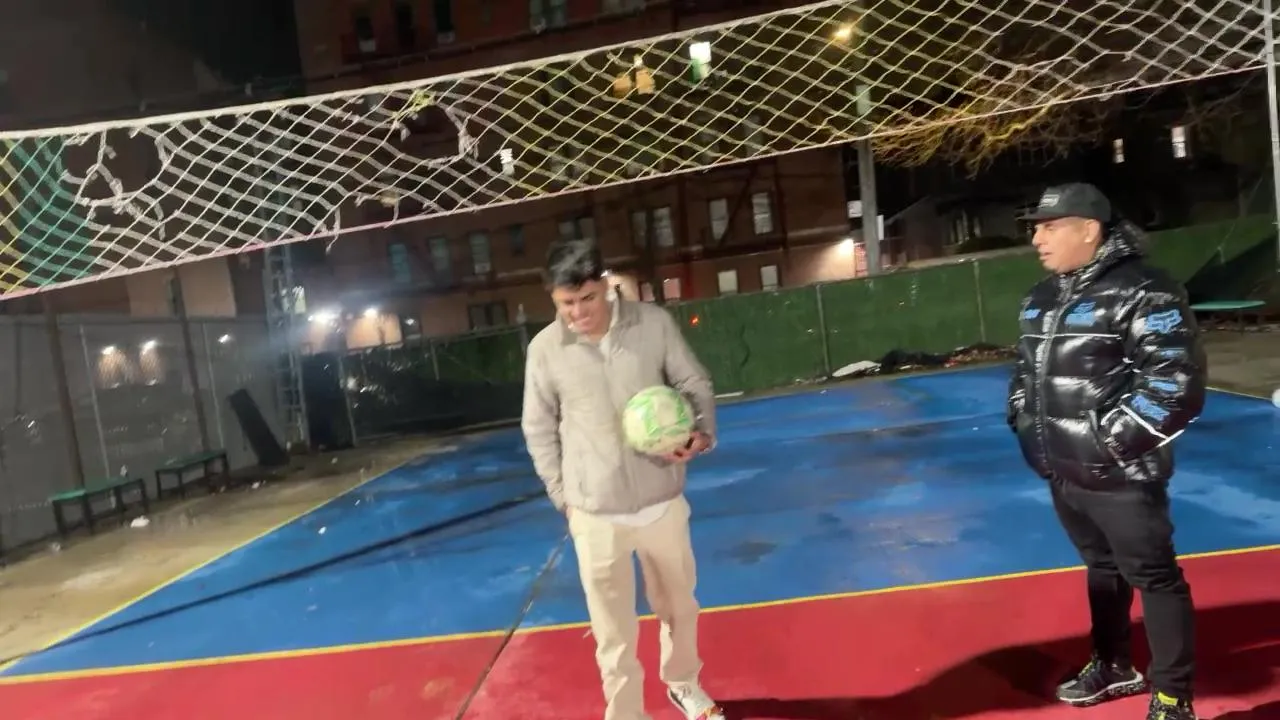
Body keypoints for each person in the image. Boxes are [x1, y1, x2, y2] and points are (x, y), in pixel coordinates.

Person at [1006, 183, 1206, 720]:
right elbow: (1025, 371)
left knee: (1154, 576)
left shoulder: (1145, 290)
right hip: (1062, 470)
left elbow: (1175, 384)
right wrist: (1026, 421)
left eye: (1050, 227)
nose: (1037, 238)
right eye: (1036, 227)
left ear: (1089, 229)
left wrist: (1109, 442)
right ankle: (1114, 665)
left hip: (1121, 474)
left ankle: (1172, 697)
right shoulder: (1041, 297)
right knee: (1101, 566)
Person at [521, 238, 725, 720]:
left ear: (605, 285)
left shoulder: (652, 324)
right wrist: (564, 497)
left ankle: (683, 684)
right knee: (612, 630)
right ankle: (627, 712)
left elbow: (693, 382)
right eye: (566, 303)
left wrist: (700, 432)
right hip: (595, 513)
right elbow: (537, 426)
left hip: (660, 499)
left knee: (680, 607)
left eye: (587, 298)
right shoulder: (545, 350)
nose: (578, 312)